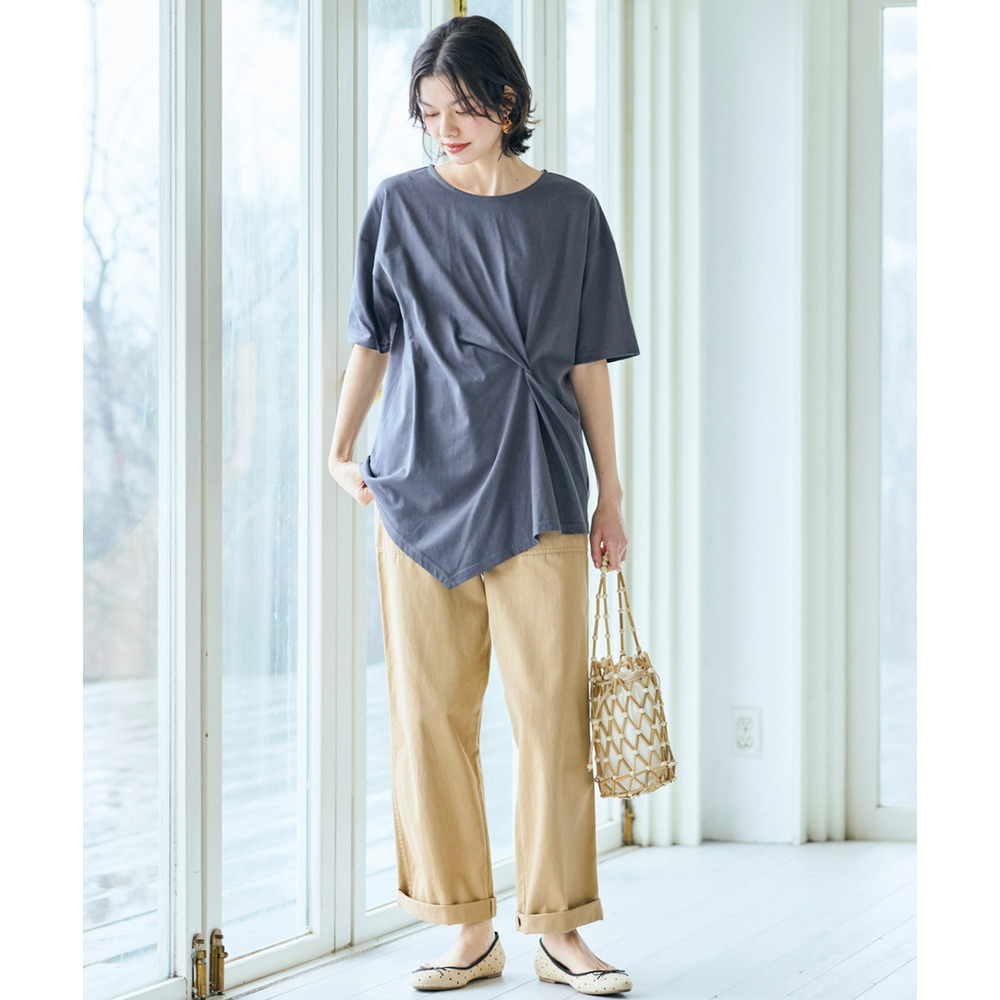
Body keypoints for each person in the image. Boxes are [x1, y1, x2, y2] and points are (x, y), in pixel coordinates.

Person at [328, 15, 639, 996]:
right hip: (419, 486)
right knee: (429, 719)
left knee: (552, 720)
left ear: (508, 102)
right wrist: (339, 445)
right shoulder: (397, 205)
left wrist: (610, 491)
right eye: (429, 113)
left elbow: (589, 362)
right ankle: (468, 926)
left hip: (539, 483)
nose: (445, 128)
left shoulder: (571, 211)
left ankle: (560, 929)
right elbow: (372, 338)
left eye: (461, 107)